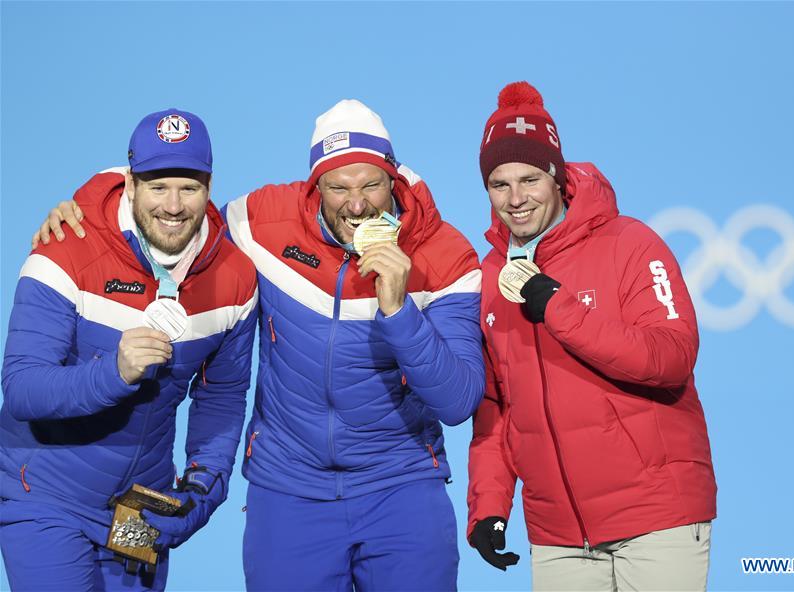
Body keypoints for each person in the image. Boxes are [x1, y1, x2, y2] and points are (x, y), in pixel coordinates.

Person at [32, 99, 485, 591]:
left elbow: (458, 401)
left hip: (400, 485)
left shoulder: (445, 256)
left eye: (371, 185)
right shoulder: (260, 223)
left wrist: (398, 311)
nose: (357, 205)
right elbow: (174, 218)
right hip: (288, 490)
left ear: (393, 178)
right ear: (315, 186)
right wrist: (88, 210)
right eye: (338, 187)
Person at [466, 82, 717, 591]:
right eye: (499, 184)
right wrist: (489, 505)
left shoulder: (630, 243)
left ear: (557, 177)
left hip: (655, 518)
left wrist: (559, 308)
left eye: (530, 179)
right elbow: (497, 406)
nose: (516, 199)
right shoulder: (491, 274)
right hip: (558, 535)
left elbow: (672, 357)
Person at [1, 109, 258, 590]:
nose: (174, 206)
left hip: (136, 514)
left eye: (189, 187)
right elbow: (21, 388)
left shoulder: (235, 277)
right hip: (47, 499)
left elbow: (222, 397)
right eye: (158, 187)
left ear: (209, 186)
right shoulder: (66, 248)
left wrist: (202, 489)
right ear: (131, 182)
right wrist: (113, 373)